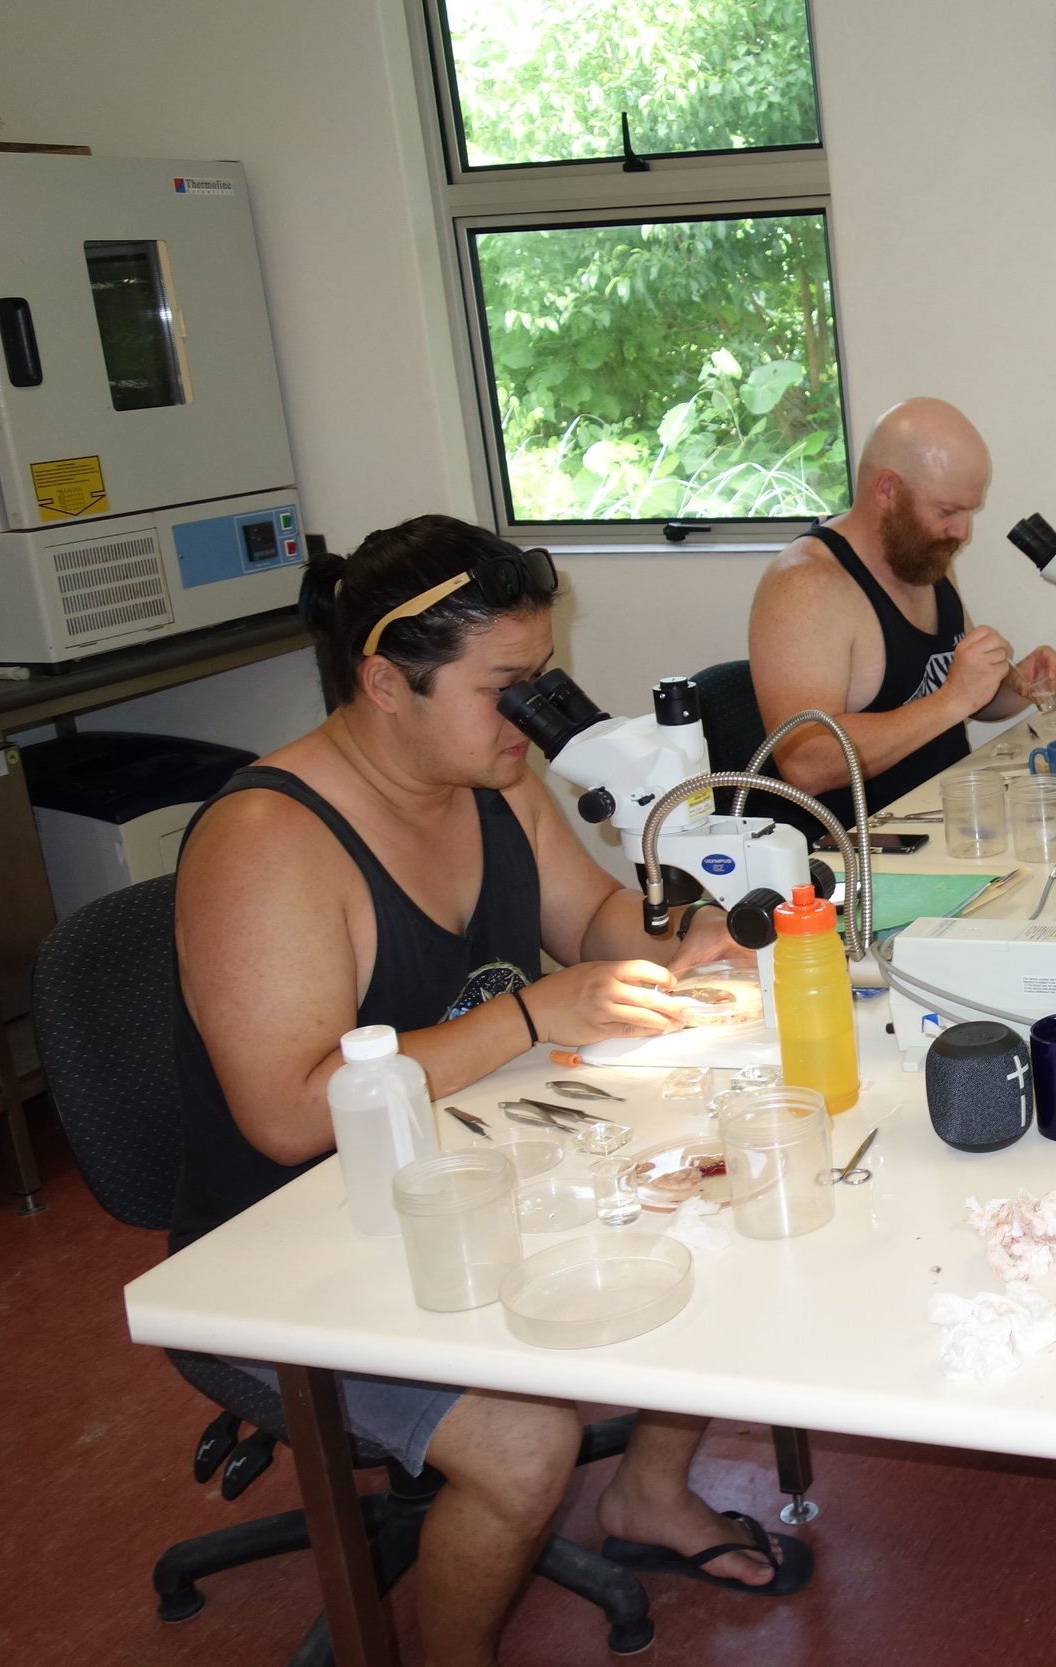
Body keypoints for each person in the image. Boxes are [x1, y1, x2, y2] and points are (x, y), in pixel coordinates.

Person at [173, 516, 810, 1667]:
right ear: (384, 680)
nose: (533, 717)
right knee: (524, 1448)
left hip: (470, 1167)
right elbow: (285, 1113)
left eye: (541, 680)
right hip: (286, 1254)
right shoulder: (269, 839)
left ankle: (650, 1497)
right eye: (506, 686)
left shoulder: (490, 778)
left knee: (724, 1197)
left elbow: (591, 921)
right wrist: (529, 1014)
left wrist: (693, 933)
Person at [749, 396, 1056, 826]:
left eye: (969, 511)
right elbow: (807, 763)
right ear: (888, 490)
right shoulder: (806, 584)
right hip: (849, 852)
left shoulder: (923, 556)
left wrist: (1017, 684)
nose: (962, 532)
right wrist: (952, 699)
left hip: (941, 818)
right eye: (947, 511)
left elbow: (962, 693)